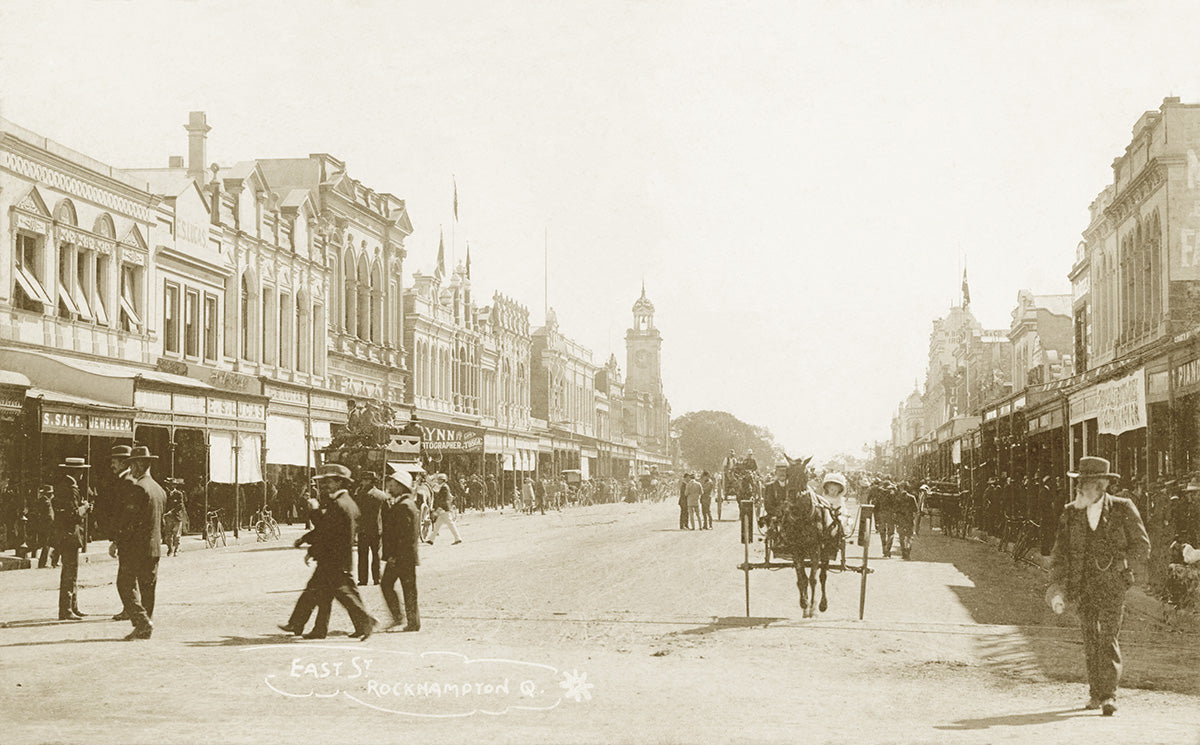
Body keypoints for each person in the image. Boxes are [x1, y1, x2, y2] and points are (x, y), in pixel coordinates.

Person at [1047, 456, 1151, 717]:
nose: (1080, 487)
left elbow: (1142, 547)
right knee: (1090, 639)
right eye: (1079, 481)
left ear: (1102, 485)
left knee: (1108, 637)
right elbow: (1060, 555)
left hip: (1113, 586)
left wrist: (1121, 564)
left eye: (1086, 482)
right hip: (1082, 586)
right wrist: (1058, 590)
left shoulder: (1123, 508)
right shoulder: (1071, 513)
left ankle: (1109, 695)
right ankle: (1095, 692)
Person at [280, 464, 377, 640]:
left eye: (329, 482)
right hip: (337, 557)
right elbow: (327, 529)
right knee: (323, 594)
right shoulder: (346, 502)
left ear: (340, 483)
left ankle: (366, 620)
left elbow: (326, 531)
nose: (325, 485)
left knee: (340, 593)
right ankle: (315, 628)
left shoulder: (339, 504)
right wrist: (308, 543)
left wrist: (314, 511)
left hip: (332, 558)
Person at [111, 446, 166, 640]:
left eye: (132, 465)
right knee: (148, 588)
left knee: (125, 584)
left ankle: (142, 621)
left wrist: (117, 542)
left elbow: (130, 522)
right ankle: (146, 626)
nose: (131, 469)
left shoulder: (139, 488)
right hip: (154, 548)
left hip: (136, 549)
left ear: (140, 464)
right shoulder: (159, 489)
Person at [380, 469, 420, 631]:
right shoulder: (405, 503)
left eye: (393, 485)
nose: (390, 487)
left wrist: (394, 556)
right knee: (408, 588)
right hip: (405, 556)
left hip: (401, 557)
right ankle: (412, 622)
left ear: (402, 487)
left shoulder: (403, 506)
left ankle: (400, 618)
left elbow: (404, 536)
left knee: (388, 584)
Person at [54, 459, 92, 620]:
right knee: (70, 572)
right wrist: (85, 507)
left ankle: (72, 606)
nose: (82, 473)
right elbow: (73, 514)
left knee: (71, 572)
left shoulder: (63, 486)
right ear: (77, 472)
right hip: (70, 534)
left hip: (65, 535)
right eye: (81, 470)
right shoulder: (71, 488)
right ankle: (66, 609)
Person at [105, 445, 134, 621]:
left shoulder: (128, 481)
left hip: (127, 538)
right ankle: (130, 608)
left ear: (124, 462)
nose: (112, 465)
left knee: (126, 577)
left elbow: (125, 515)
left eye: (114, 462)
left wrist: (116, 540)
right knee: (128, 576)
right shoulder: (125, 479)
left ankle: (130, 609)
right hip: (127, 537)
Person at [353, 472, 386, 586]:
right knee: (376, 555)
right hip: (377, 529)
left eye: (364, 480)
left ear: (368, 481)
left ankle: (363, 579)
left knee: (363, 555)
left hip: (363, 530)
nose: (362, 482)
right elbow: (387, 514)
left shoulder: (360, 494)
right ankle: (377, 578)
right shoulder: (381, 495)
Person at [426, 473, 462, 545]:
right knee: (438, 525)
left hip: (444, 508)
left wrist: (439, 507)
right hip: (443, 508)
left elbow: (443, 499)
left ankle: (458, 538)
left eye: (440, 479)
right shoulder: (443, 487)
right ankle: (431, 539)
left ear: (443, 480)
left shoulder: (444, 487)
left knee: (450, 523)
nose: (438, 481)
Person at [33, 484, 56, 568]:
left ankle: (45, 561)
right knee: (46, 543)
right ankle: (43, 562)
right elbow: (48, 514)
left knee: (47, 543)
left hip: (46, 524)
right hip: (47, 525)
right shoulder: (45, 501)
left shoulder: (44, 500)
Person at [162, 479, 186, 557]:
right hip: (168, 517)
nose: (170, 486)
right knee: (168, 535)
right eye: (169, 484)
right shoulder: (166, 494)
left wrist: (172, 511)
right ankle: (170, 549)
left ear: (175, 486)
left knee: (176, 535)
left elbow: (180, 505)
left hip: (177, 517)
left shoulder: (179, 494)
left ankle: (176, 549)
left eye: (172, 485)